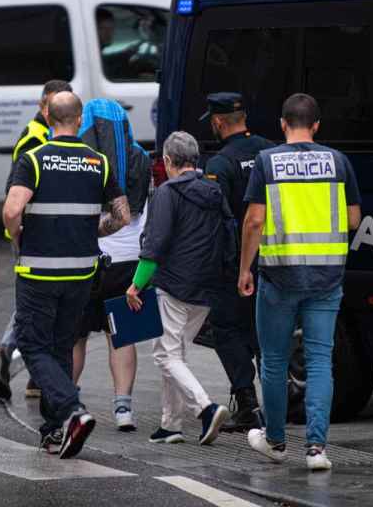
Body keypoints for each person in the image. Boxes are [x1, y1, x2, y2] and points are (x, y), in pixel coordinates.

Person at [238, 93, 361, 471]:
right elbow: (353, 219)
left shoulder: (267, 161)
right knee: (320, 360)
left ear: (282, 124)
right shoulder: (338, 161)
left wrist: (245, 269)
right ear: (317, 125)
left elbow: (254, 221)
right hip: (327, 276)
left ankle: (276, 441)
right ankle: (316, 449)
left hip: (279, 275)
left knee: (275, 361)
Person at [3, 91, 130, 458]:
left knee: (31, 344)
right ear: (79, 119)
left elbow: (11, 210)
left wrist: (17, 235)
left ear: (48, 118)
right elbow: (122, 216)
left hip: (39, 272)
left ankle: (72, 410)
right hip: (81, 272)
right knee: (61, 346)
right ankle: (53, 429)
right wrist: (93, 231)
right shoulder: (98, 162)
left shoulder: (34, 159)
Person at [125, 131, 232, 446]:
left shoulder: (167, 193)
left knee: (165, 355)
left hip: (174, 286)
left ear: (168, 161)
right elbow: (229, 234)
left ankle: (206, 408)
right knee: (176, 355)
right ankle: (170, 425)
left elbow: (154, 244)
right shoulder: (214, 191)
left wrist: (136, 285)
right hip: (207, 286)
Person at [0, 79, 73, 402]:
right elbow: (18, 191)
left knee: (39, 301)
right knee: (39, 303)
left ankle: (30, 374)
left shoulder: (41, 134)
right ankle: (8, 352)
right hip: (32, 230)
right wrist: (18, 230)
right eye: (52, 104)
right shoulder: (36, 138)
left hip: (38, 229)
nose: (56, 110)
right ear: (42, 106)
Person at [71, 98, 151, 432]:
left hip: (87, 260)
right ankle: (123, 408)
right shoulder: (141, 158)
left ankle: (69, 404)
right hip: (130, 261)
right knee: (122, 336)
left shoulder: (80, 159)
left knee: (74, 337)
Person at [202, 92, 276, 433]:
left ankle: (247, 404)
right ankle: (276, 404)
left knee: (226, 328)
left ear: (218, 122)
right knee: (265, 330)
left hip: (237, 263)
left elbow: (215, 218)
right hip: (276, 257)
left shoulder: (219, 164)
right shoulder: (271, 151)